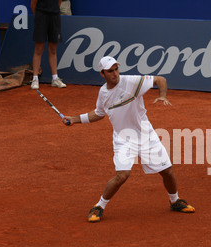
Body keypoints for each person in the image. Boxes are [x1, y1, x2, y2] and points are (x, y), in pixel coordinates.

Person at [62, 56, 196, 223]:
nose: (115, 73)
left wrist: (162, 96)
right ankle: (99, 206)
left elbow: (160, 79)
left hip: (146, 135)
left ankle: (175, 201)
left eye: (116, 69)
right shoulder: (103, 93)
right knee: (122, 176)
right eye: (110, 71)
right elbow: (98, 113)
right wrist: (74, 119)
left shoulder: (131, 82)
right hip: (123, 139)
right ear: (102, 73)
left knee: (167, 171)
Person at [31, 0, 67, 89]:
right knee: (38, 49)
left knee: (53, 50)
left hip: (54, 17)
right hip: (41, 16)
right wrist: (39, 17)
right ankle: (35, 79)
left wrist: (54, 11)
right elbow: (33, 4)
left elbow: (59, 2)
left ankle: (55, 78)